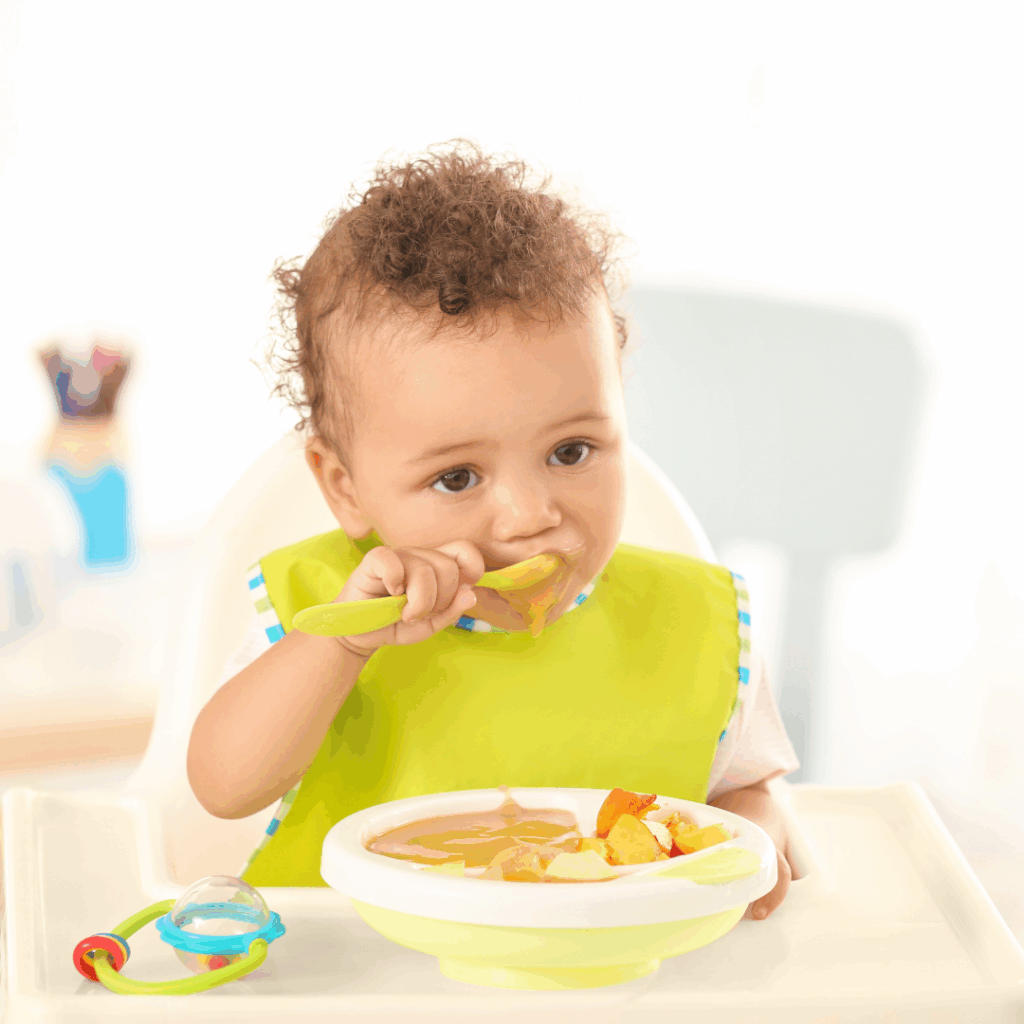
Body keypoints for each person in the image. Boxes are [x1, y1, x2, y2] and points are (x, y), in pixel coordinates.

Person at [187, 139, 801, 919]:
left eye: (571, 451)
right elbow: (221, 785)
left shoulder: (691, 625)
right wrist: (340, 646)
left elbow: (749, 790)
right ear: (346, 489)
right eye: (457, 478)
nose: (530, 515)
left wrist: (750, 835)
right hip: (362, 986)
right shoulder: (330, 615)